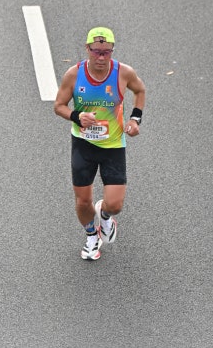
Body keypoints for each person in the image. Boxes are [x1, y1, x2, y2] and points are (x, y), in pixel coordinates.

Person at [53, 28, 145, 261]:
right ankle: (91, 236)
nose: (101, 57)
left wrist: (135, 119)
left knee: (115, 204)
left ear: (112, 50)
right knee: (83, 200)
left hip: (113, 146)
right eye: (97, 52)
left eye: (107, 52)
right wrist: (76, 117)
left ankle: (105, 216)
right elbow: (59, 105)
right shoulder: (74, 75)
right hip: (83, 145)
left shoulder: (123, 73)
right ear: (87, 49)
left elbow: (140, 91)